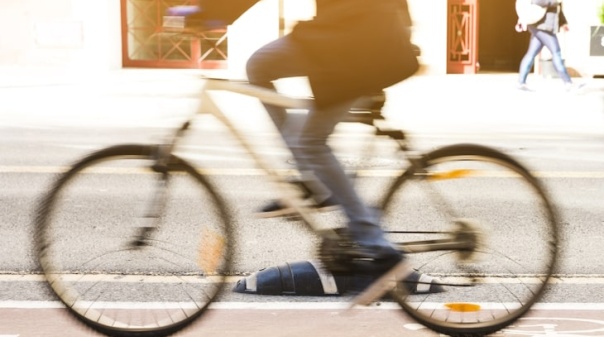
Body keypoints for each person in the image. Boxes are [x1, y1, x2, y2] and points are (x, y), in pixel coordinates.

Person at [245, 0, 418, 269]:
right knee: (261, 69)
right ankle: (315, 182)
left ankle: (371, 237)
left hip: (349, 41)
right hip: (354, 36)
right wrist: (404, 32)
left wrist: (203, 14)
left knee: (311, 142)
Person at [516, 0, 582, 91]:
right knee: (556, 52)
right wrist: (555, 1)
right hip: (542, 26)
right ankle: (568, 82)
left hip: (542, 26)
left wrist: (563, 23)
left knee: (531, 54)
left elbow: (558, 9)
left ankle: (521, 82)